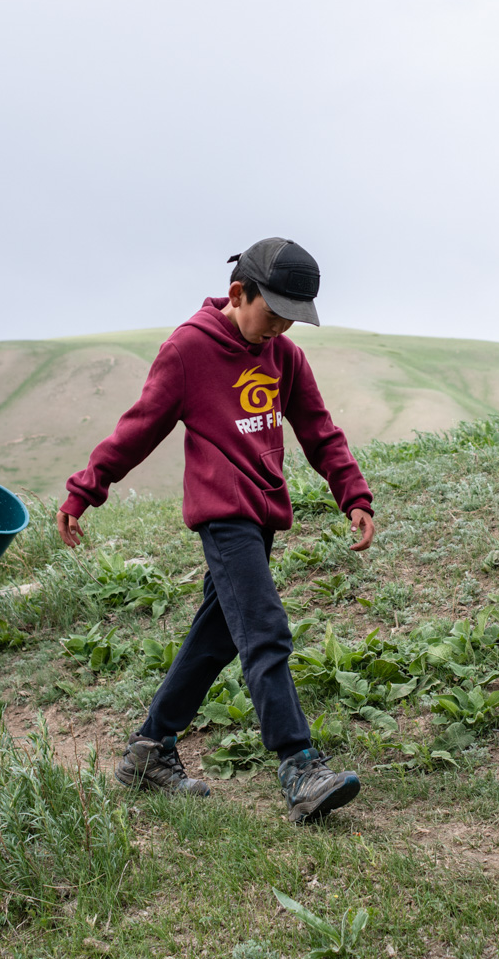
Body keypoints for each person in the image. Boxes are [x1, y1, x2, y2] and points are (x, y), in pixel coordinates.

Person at [57, 238, 376, 824]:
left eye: (292, 319)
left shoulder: (284, 356)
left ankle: (150, 750)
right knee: (265, 631)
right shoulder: (188, 350)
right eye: (272, 313)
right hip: (223, 514)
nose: (280, 327)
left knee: (219, 636)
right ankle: (299, 765)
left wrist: (351, 493)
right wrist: (87, 488)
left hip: (262, 512)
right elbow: (139, 428)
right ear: (237, 293)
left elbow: (318, 430)